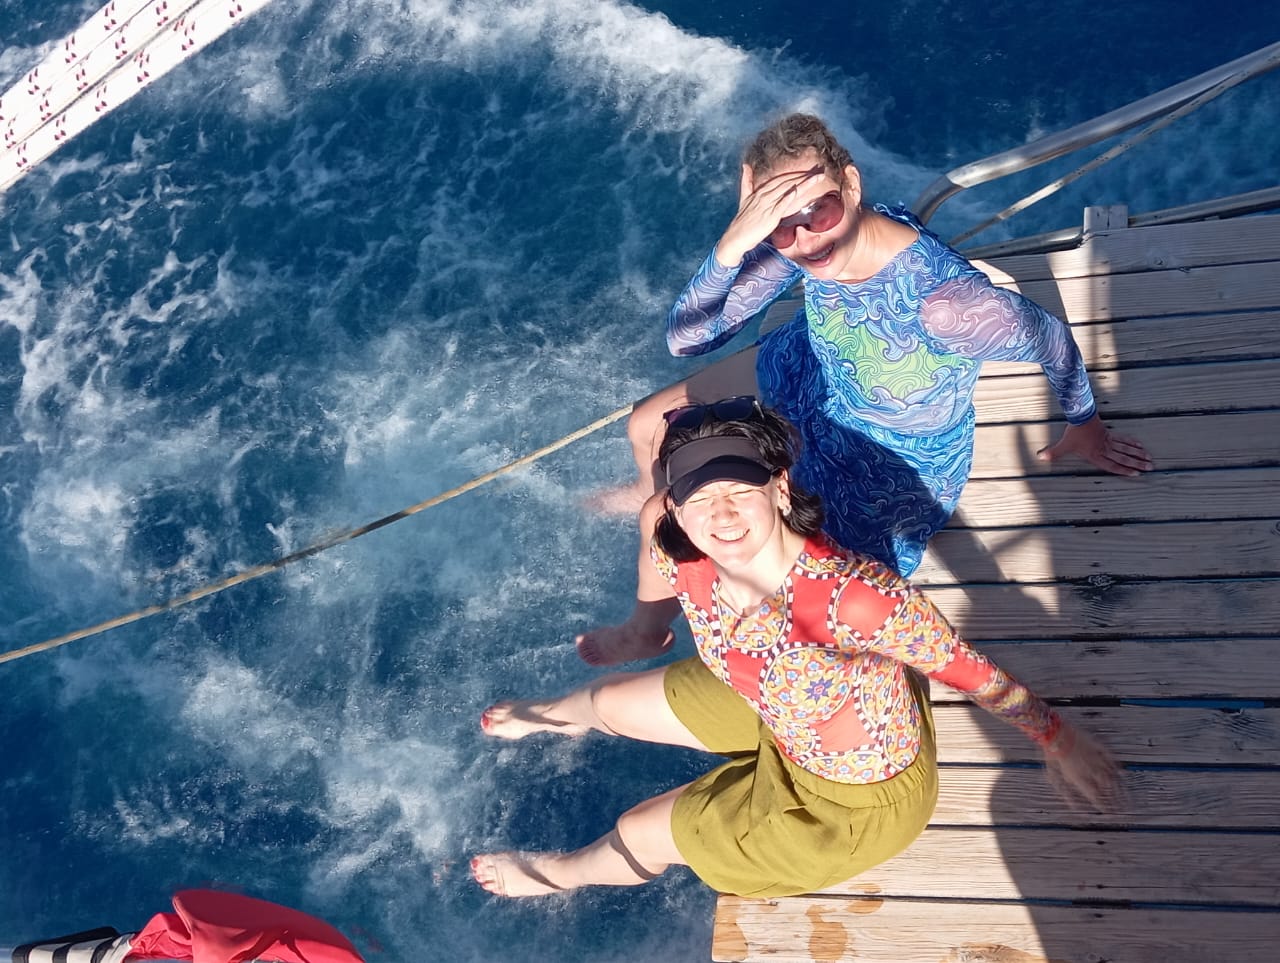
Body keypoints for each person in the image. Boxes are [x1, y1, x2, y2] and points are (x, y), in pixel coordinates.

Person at [471, 401, 1120, 899]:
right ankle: (548, 717)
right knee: (608, 699)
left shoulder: (856, 601)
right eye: (700, 497)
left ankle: (557, 875)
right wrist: (634, 636)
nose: (722, 515)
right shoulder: (676, 546)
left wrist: (1059, 740)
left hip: (846, 798)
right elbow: (654, 580)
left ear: (779, 489)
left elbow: (971, 671)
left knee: (640, 829)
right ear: (675, 506)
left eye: (739, 491)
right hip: (770, 697)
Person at [577, 113, 1152, 667]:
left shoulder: (947, 307)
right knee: (648, 426)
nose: (804, 237)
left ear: (851, 184)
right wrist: (733, 245)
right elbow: (689, 338)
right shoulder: (809, 243)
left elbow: (1051, 339)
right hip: (809, 368)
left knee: (664, 520)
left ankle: (645, 628)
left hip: (873, 464)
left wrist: (1085, 424)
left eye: (818, 210)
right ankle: (668, 493)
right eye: (778, 224)